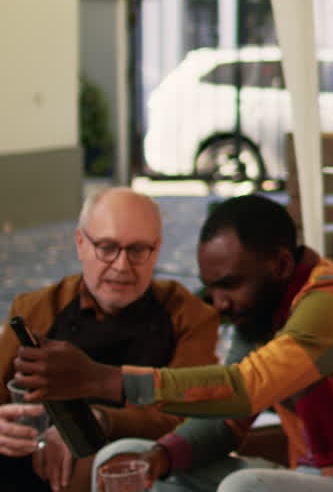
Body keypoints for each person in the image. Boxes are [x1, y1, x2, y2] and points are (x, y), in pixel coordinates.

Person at [13, 193, 333, 492]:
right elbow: (226, 423)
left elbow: (243, 388)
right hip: (309, 479)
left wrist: (101, 379)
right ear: (81, 245)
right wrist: (161, 458)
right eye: (107, 248)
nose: (220, 304)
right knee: (121, 459)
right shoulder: (259, 311)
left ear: (279, 265)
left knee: (244, 488)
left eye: (230, 285)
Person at [0, 187, 220, 492]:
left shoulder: (190, 316)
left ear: (157, 250)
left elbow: (187, 418)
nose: (121, 266)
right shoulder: (35, 310)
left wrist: (96, 421)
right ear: (80, 243)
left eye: (138, 250)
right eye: (107, 247)